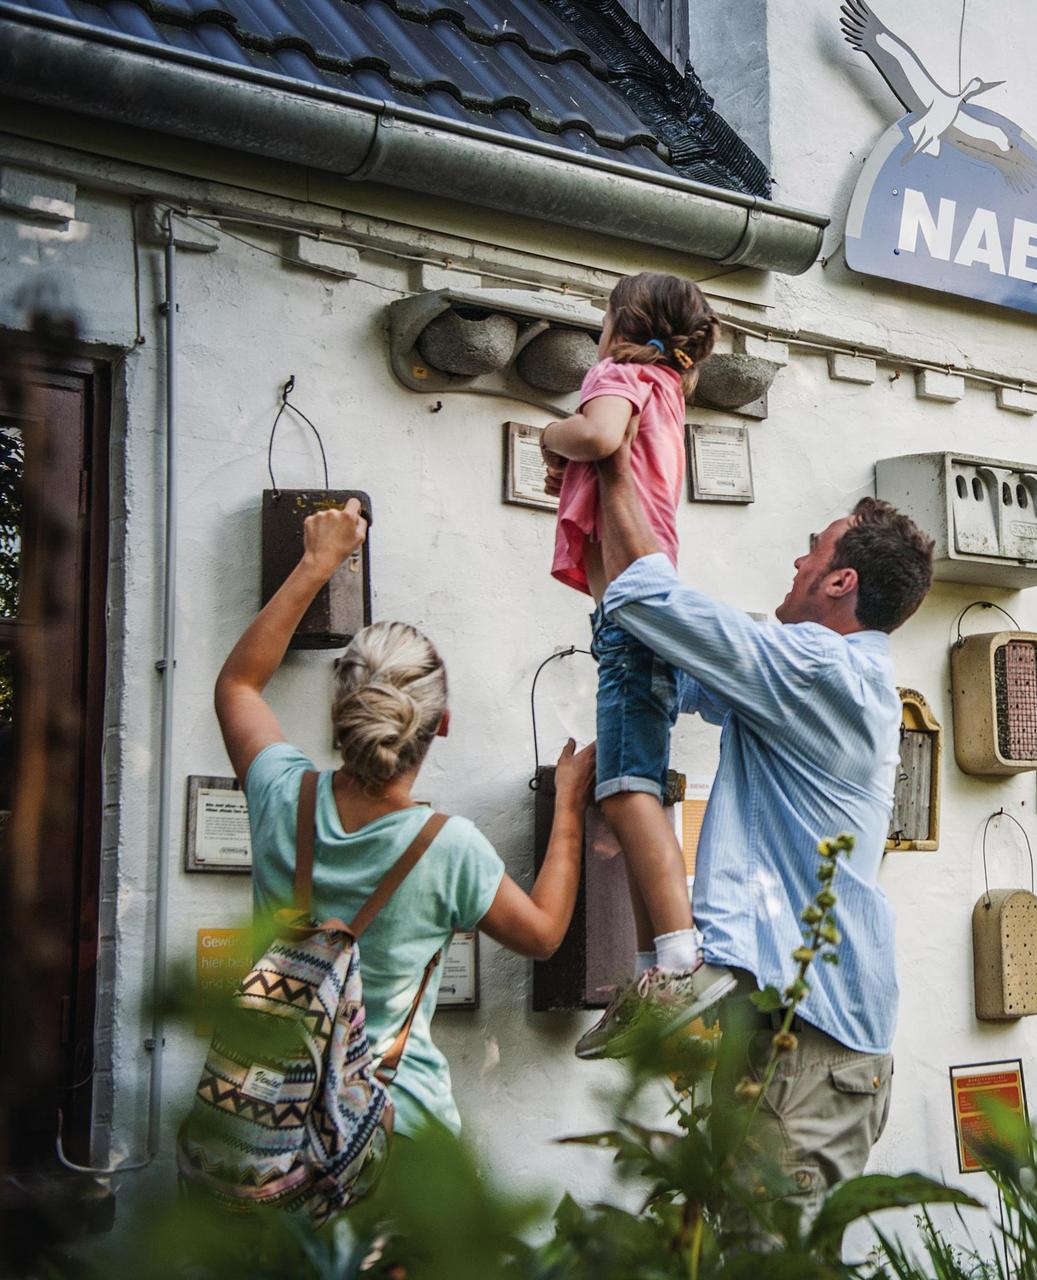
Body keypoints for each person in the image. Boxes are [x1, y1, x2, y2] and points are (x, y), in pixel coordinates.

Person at [566, 425, 933, 1222]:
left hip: (816, 1043)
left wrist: (616, 462)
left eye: (811, 551)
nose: (797, 561)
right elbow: (666, 651)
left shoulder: (825, 670)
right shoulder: (806, 677)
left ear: (840, 581)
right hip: (788, 1035)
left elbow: (653, 602)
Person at [214, 499, 595, 1137]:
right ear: (441, 725)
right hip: (395, 1130)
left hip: (268, 1126)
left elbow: (238, 686)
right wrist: (568, 803)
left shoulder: (281, 796)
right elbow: (544, 934)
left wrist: (317, 563)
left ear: (339, 712)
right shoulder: (449, 849)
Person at [539, 272, 725, 1054]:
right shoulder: (667, 390)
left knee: (625, 789)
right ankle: (656, 969)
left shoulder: (618, 376)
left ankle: (679, 962)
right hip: (640, 611)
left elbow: (599, 437)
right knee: (631, 785)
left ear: (623, 324)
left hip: (630, 618)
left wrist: (552, 435)